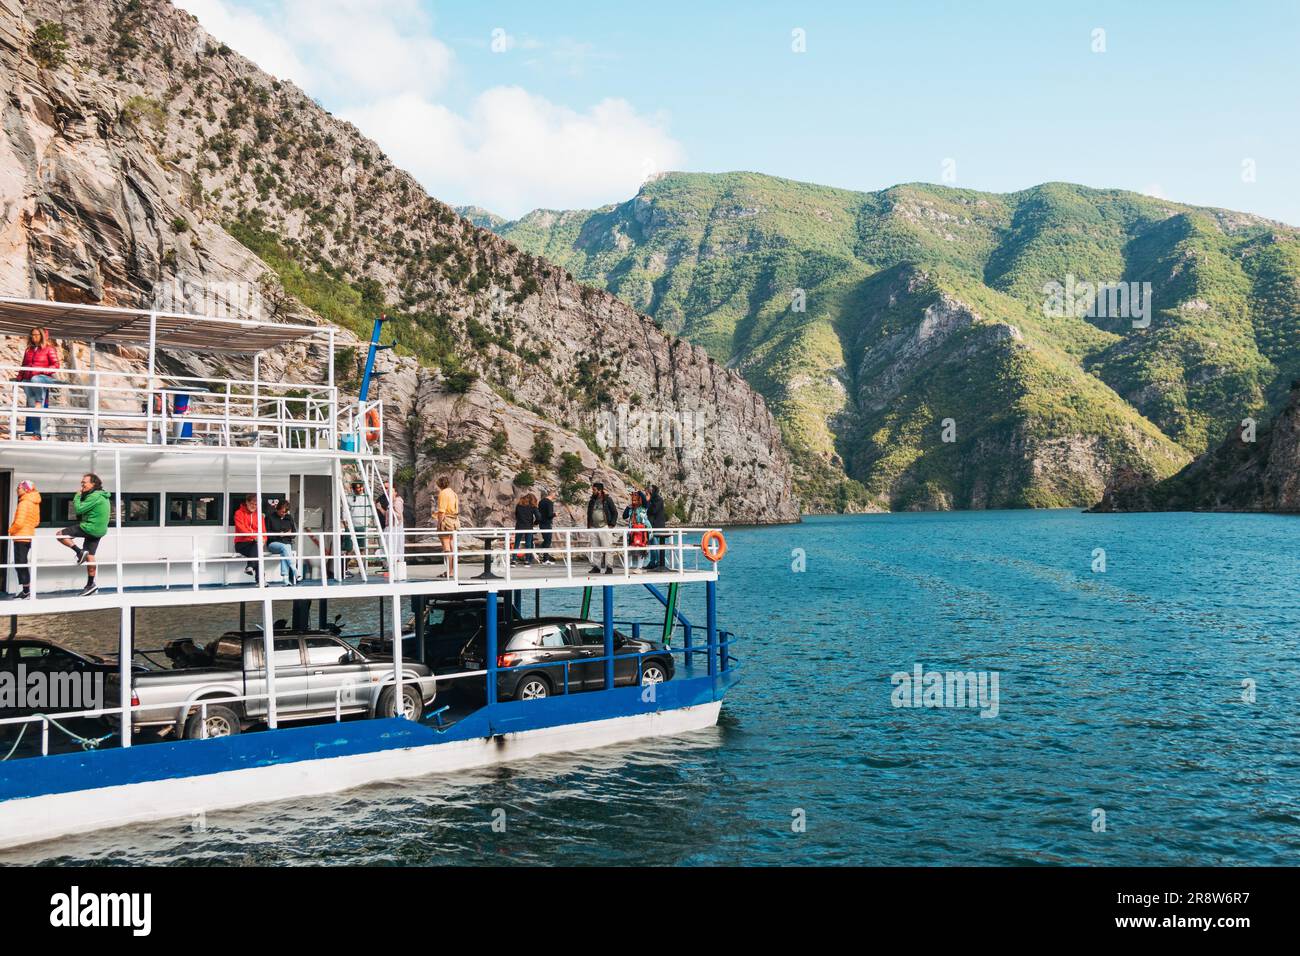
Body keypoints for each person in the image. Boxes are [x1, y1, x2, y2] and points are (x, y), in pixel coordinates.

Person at [56, 473, 109, 597]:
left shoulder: (94, 496)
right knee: (90, 556)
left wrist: (77, 495)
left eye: (84, 482)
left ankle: (79, 552)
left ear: (93, 484)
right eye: (82, 483)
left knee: (60, 535)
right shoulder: (101, 495)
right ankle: (90, 584)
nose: (82, 485)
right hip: (99, 531)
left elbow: (79, 509)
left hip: (90, 528)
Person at [17, 328, 59, 440]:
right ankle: (37, 434)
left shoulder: (49, 349)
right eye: (32, 335)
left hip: (44, 377)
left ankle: (39, 401)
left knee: (35, 379)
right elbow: (23, 365)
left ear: (41, 335)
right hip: (29, 378)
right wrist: (19, 378)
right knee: (32, 407)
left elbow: (56, 365)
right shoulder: (28, 350)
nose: (33, 337)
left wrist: (41, 370)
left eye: (36, 335)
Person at [6, 480, 40, 599]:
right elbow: (36, 522)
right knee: (22, 563)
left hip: (21, 537)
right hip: (29, 536)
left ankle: (26, 591)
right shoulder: (34, 502)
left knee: (20, 564)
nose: (17, 490)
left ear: (26, 489)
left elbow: (19, 522)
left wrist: (10, 530)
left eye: (19, 488)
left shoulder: (24, 503)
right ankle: (26, 590)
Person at [586, 482, 618, 575]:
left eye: (594, 490)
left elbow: (614, 512)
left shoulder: (607, 499)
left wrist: (611, 524)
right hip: (594, 527)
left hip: (604, 526)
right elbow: (589, 512)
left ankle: (609, 567)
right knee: (595, 548)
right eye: (593, 489)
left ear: (600, 490)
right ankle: (597, 567)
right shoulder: (592, 500)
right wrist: (589, 525)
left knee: (607, 548)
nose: (593, 491)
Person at [233, 493, 266, 584]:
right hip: (242, 543)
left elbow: (263, 531)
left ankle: (250, 567)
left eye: (256, 504)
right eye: (252, 503)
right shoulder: (238, 513)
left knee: (258, 550)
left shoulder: (259, 515)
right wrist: (255, 537)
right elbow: (241, 529)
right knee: (258, 552)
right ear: (246, 502)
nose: (254, 506)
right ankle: (260, 580)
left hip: (255, 543)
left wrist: (263, 539)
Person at [265, 499, 297, 586]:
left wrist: (288, 534)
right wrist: (280, 535)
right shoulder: (270, 517)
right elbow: (267, 533)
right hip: (273, 544)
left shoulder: (289, 517)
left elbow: (294, 534)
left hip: (286, 544)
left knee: (285, 550)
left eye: (286, 512)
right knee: (285, 547)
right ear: (277, 509)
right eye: (282, 511)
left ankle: (285, 580)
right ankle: (294, 569)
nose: (284, 513)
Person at [433, 476, 460, 578]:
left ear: (439, 484)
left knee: (447, 547)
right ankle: (452, 570)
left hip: (446, 522)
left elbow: (442, 511)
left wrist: (439, 523)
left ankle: (450, 571)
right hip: (454, 521)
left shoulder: (443, 493)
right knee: (453, 546)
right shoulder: (453, 493)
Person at [623, 491, 650, 570]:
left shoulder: (644, 507)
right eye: (633, 500)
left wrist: (639, 493)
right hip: (632, 531)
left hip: (642, 531)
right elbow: (624, 516)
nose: (634, 502)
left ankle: (639, 567)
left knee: (641, 549)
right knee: (630, 548)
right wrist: (628, 507)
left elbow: (645, 500)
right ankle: (627, 567)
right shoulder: (631, 509)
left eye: (635, 500)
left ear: (639, 500)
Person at [511, 493, 539, 566]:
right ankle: (527, 561)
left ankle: (513, 560)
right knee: (528, 544)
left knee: (516, 543)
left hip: (519, 526)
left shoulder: (519, 505)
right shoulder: (532, 506)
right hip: (528, 527)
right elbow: (539, 517)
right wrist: (535, 523)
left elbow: (516, 515)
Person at [647, 484, 668, 569]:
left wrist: (648, 502)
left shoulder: (658, 499)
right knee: (651, 544)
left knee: (655, 543)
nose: (647, 493)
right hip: (651, 525)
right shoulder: (652, 500)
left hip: (657, 525)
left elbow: (653, 510)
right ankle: (652, 562)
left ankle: (658, 562)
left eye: (648, 491)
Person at [536, 487, 556, 564]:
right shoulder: (550, 502)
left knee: (546, 540)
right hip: (547, 523)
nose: (555, 496)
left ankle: (540, 554)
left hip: (541, 523)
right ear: (552, 494)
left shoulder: (541, 502)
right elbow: (549, 515)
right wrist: (555, 514)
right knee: (548, 541)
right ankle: (544, 558)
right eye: (555, 494)